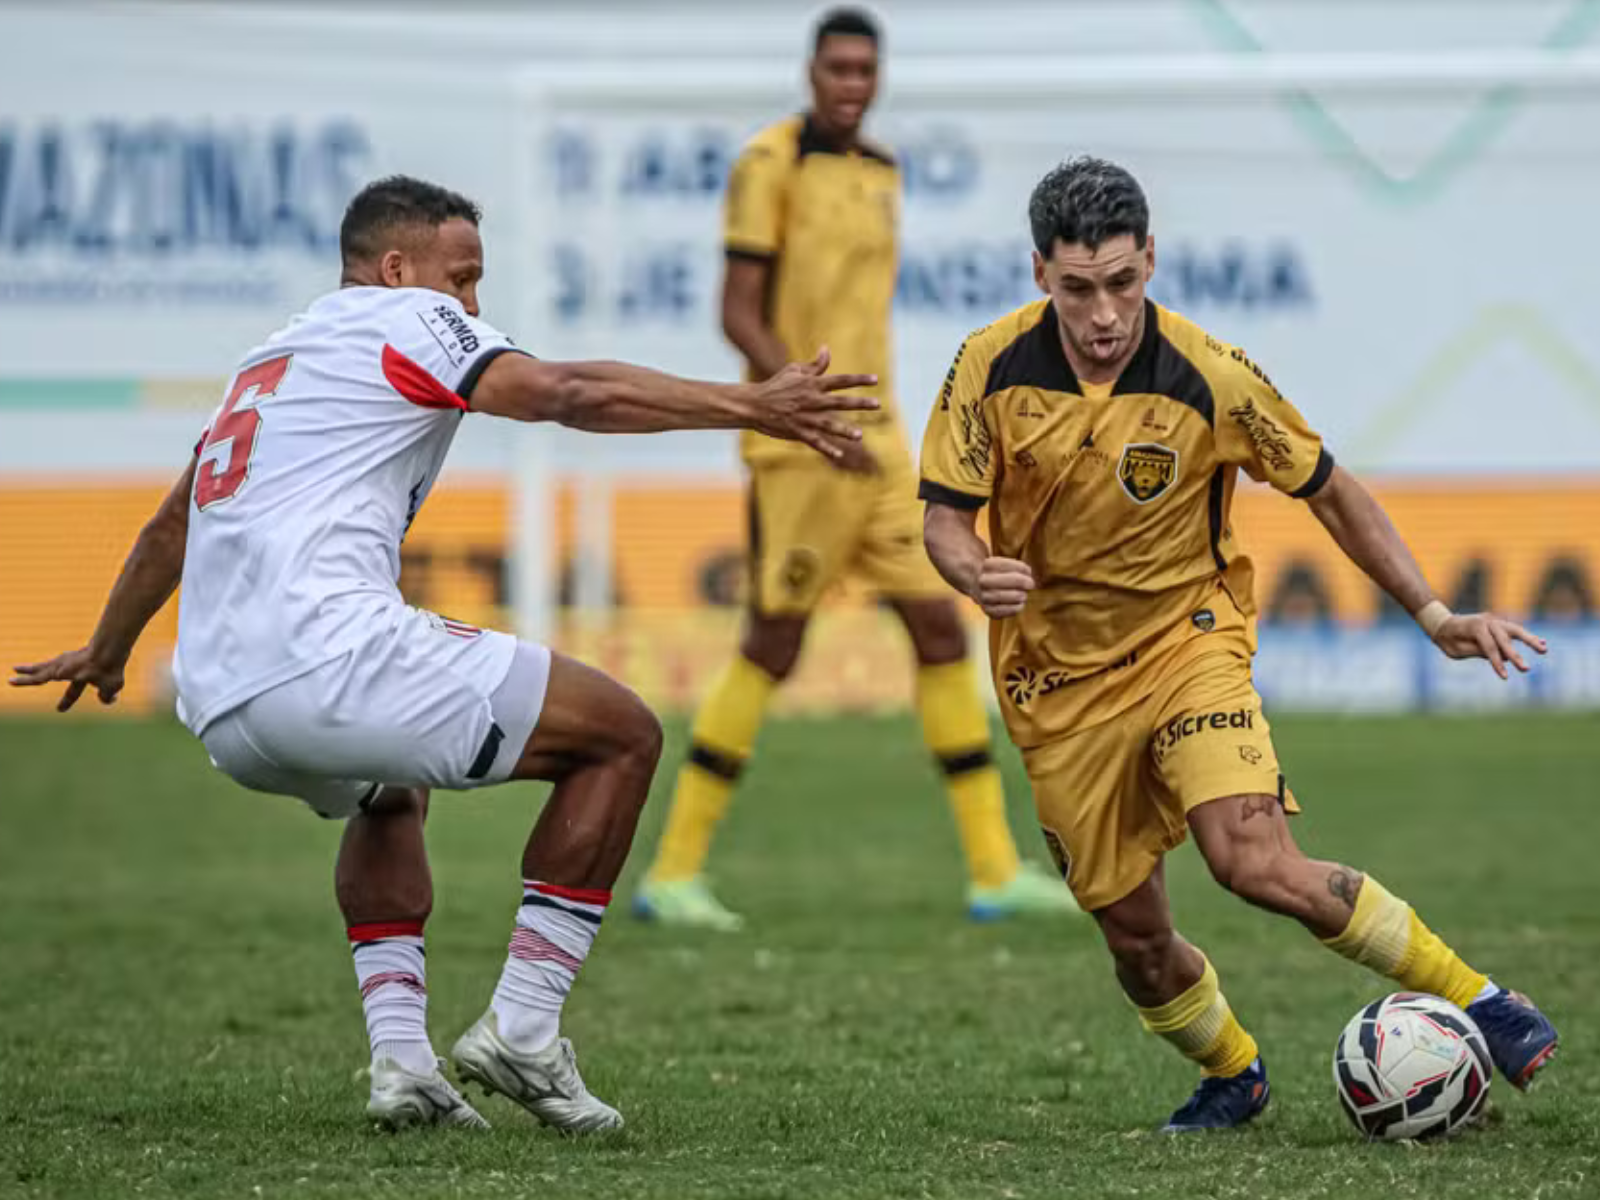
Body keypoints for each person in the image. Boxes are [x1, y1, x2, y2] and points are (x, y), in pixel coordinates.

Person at [9, 175, 877, 1134]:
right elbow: (564, 392)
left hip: (221, 702)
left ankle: (403, 1065)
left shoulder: (275, 356)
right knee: (621, 735)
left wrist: (109, 646)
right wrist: (753, 404)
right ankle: (524, 1028)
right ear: (395, 269)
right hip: (326, 658)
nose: (471, 307)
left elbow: (176, 517)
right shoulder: (408, 320)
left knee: (392, 785)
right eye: (462, 279)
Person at [917, 156, 1559, 1131]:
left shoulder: (1209, 376)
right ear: (1040, 271)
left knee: (1251, 858)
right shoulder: (988, 367)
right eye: (1079, 288)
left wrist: (1434, 615)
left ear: (1151, 264)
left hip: (1189, 644)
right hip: (1054, 685)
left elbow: (1330, 488)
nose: (1102, 313)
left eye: (1124, 284)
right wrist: (970, 569)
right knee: (1136, 941)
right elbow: (943, 522)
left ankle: (1482, 1001)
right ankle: (1233, 1070)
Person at [632, 8, 1077, 930]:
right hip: (799, 447)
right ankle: (671, 873)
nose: (851, 83)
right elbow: (736, 310)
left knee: (940, 632)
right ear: (810, 72)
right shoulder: (770, 165)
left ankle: (993, 871)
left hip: (878, 448)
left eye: (864, 69)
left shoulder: (881, 171)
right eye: (836, 67)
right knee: (774, 643)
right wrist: (792, 397)